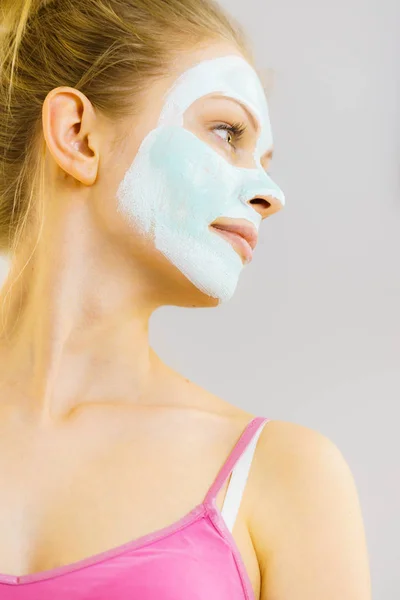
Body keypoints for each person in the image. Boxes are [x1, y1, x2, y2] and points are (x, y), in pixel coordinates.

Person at [0, 0, 371, 598]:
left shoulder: (287, 477)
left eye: (264, 159)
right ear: (77, 137)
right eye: (227, 133)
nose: (270, 193)